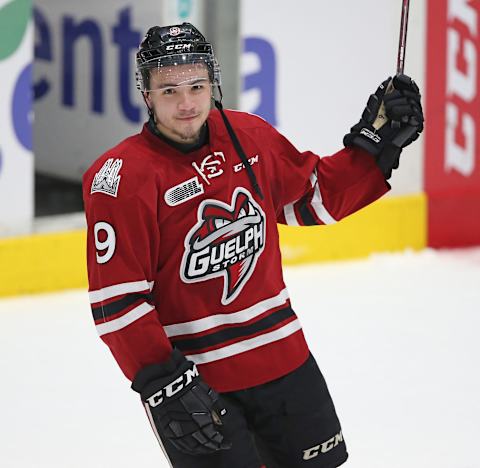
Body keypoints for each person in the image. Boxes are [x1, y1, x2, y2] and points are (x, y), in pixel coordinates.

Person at [83, 22, 423, 468]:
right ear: (146, 94)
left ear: (213, 82)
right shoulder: (121, 178)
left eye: (197, 86)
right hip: (200, 386)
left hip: (286, 363)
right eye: (169, 91)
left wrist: (373, 147)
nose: (186, 104)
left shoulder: (248, 136)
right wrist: (164, 384)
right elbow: (119, 303)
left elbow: (310, 199)